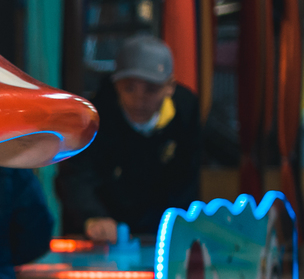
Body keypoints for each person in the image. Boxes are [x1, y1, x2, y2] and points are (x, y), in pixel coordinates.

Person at [58, 34, 201, 241]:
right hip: (108, 232)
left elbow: (187, 180)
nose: (138, 100)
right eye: (129, 88)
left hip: (162, 230)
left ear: (169, 87)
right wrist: (93, 217)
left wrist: (176, 227)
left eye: (151, 90)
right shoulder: (95, 116)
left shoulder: (186, 111)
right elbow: (76, 175)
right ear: (116, 85)